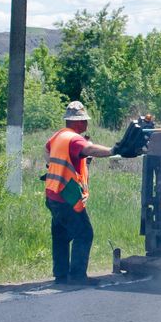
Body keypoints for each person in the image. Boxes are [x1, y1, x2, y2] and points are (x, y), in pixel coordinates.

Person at [44, 101, 114, 286]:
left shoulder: (58, 136)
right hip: (67, 197)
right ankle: (77, 277)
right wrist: (112, 151)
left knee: (60, 235)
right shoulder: (74, 139)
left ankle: (61, 275)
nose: (86, 124)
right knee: (84, 233)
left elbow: (48, 150)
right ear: (77, 122)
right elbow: (88, 149)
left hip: (53, 193)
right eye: (84, 120)